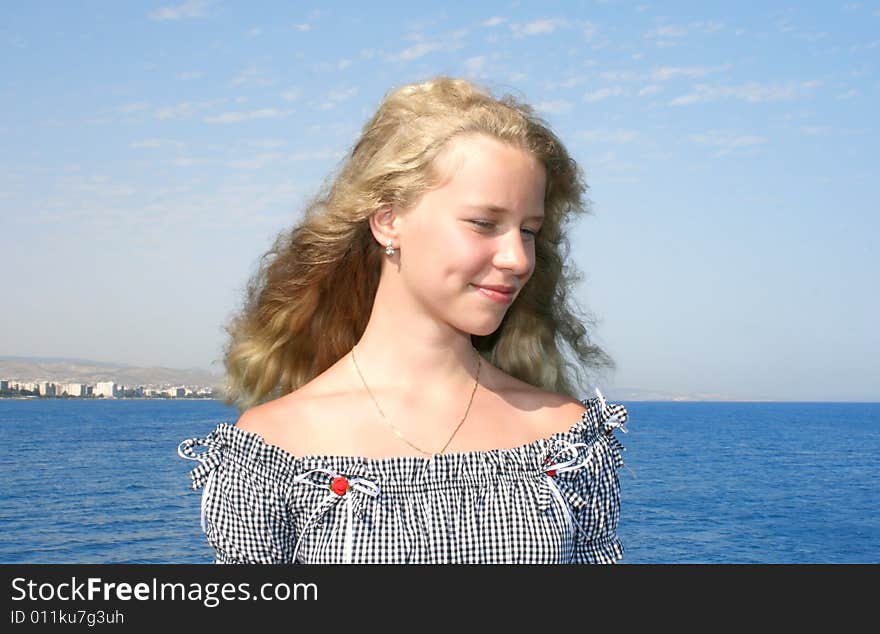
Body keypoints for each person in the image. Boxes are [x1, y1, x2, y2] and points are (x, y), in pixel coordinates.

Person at [178, 76, 630, 564]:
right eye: (484, 223)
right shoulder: (273, 451)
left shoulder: (566, 444)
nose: (518, 258)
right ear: (388, 220)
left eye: (528, 231)